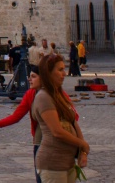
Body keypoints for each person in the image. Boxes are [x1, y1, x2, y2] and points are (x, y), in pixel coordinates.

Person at [0, 65, 78, 183]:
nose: (29, 79)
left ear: (43, 78)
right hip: (40, 142)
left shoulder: (58, 94)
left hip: (60, 142)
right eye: (29, 76)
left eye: (33, 76)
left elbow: (74, 117)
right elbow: (16, 116)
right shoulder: (30, 94)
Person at [33, 54, 89, 183]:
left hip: (67, 162)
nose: (64, 74)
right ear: (48, 73)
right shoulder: (44, 97)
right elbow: (56, 131)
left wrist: (83, 151)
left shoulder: (59, 95)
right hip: (53, 163)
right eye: (60, 70)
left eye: (64, 69)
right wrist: (82, 144)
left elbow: (73, 121)